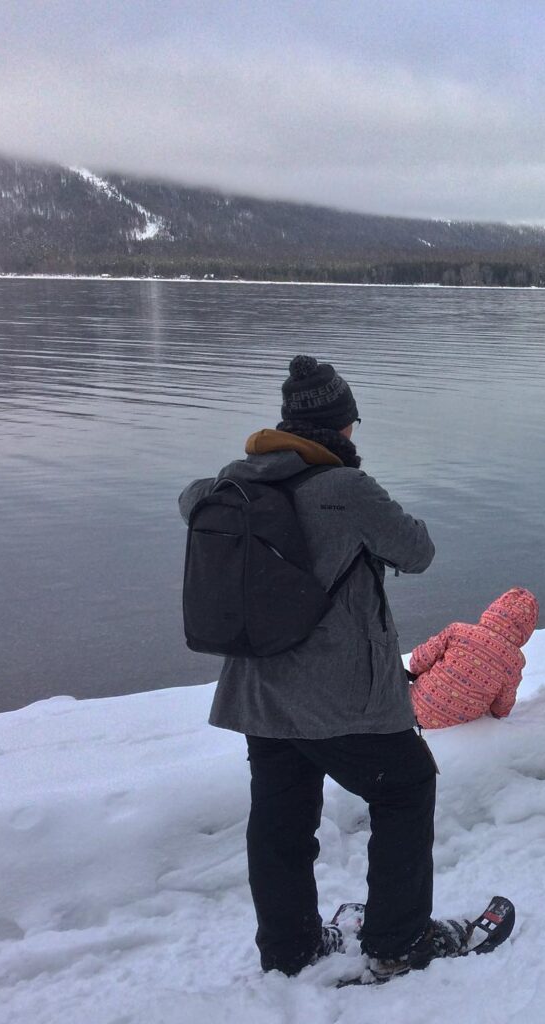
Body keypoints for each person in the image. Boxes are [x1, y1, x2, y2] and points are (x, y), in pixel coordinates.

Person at [179, 354, 466, 981]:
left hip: (259, 695)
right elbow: (417, 550)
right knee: (407, 787)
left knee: (280, 821)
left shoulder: (235, 480)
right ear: (342, 428)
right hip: (341, 698)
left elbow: (190, 500)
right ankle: (397, 941)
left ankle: (289, 949)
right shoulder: (345, 489)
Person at [408, 588, 539, 729]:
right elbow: (502, 707)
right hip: (460, 723)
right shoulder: (514, 662)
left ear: (493, 610)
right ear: (527, 631)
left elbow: (419, 661)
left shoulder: (458, 631)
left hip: (415, 706)